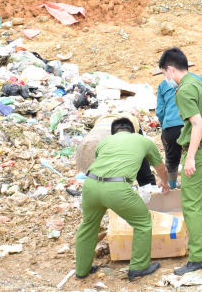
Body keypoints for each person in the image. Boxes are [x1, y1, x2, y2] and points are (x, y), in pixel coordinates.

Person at [75, 117, 170, 282]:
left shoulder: (104, 142)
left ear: (113, 132)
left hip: (90, 185)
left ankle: (82, 270)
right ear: (133, 130)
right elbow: (160, 168)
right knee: (143, 222)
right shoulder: (143, 140)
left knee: (89, 225)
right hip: (117, 188)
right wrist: (165, 182)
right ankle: (138, 268)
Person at [159, 47, 202, 275]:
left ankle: (198, 257)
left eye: (165, 73)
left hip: (199, 150)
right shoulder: (199, 83)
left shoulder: (184, 90)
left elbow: (197, 123)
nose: (166, 78)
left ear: (170, 69)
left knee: (190, 203)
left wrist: (190, 157)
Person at [155, 69, 202, 189]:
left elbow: (160, 112)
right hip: (193, 127)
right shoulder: (198, 81)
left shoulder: (162, 85)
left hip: (171, 128)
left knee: (171, 160)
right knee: (199, 159)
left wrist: (165, 126)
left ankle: (170, 189)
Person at [74, 113, 156, 188]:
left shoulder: (117, 141)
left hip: (128, 124)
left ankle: (152, 192)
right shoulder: (88, 146)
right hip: (104, 123)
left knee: (142, 170)